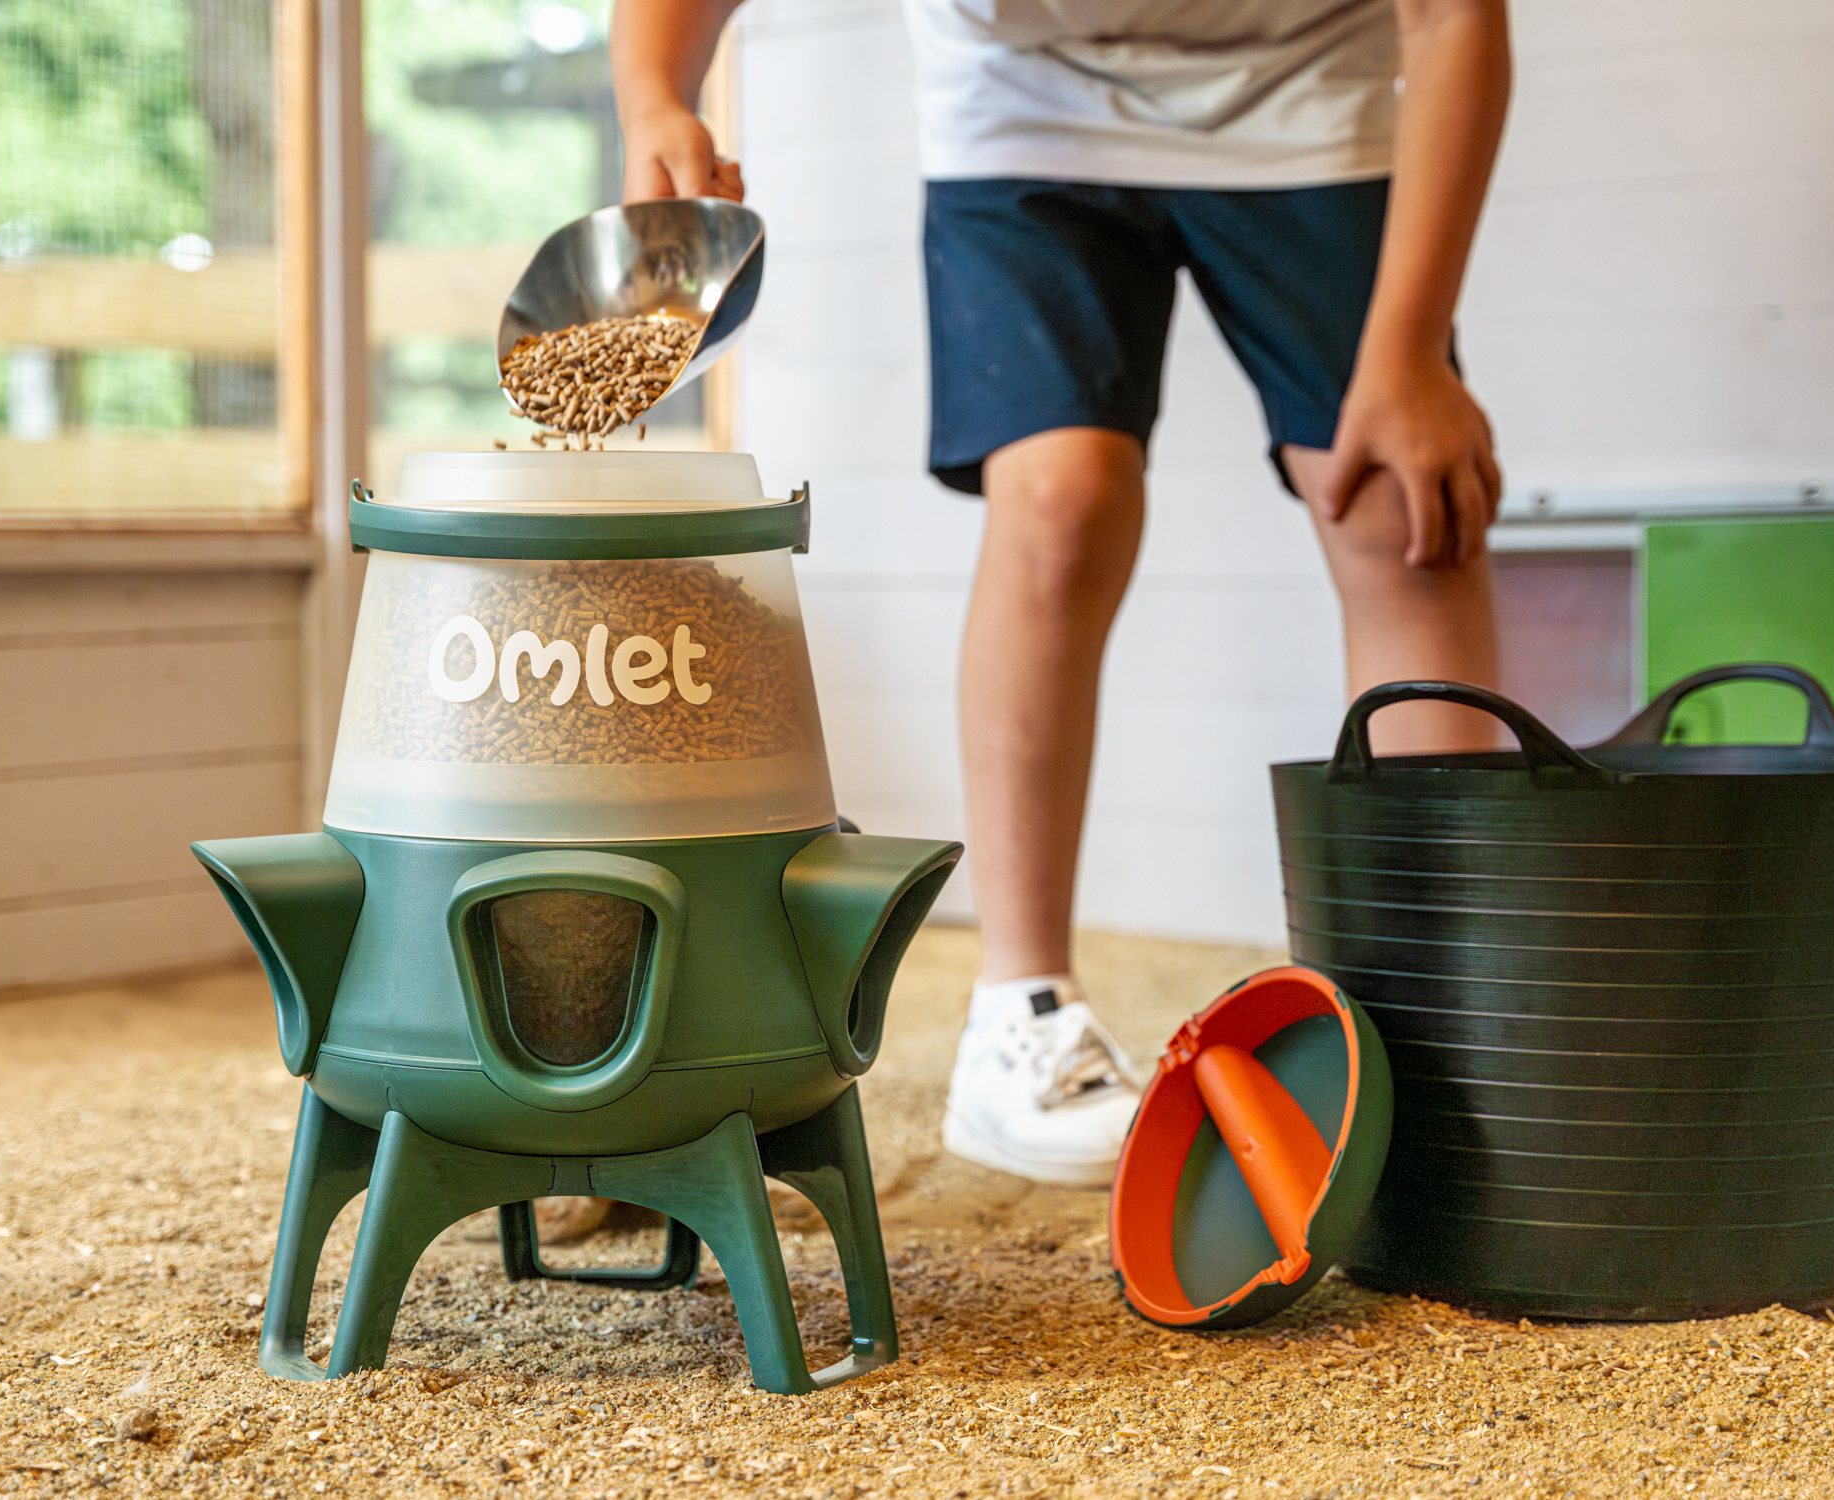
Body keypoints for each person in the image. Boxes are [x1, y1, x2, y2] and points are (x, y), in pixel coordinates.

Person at [613, 0, 1511, 1186]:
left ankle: (1441, 1025)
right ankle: (1022, 1011)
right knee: (1061, 496)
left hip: (1308, 96)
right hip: (1025, 106)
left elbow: (1455, 21)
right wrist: (654, 97)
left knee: (1405, 510)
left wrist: (1410, 354)